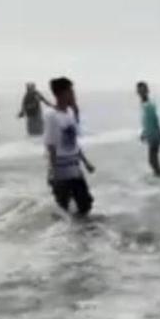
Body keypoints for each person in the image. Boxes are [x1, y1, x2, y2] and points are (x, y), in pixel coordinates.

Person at [44, 77, 95, 216]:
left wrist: (86, 162)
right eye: (71, 91)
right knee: (63, 209)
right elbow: (51, 146)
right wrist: (52, 172)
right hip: (61, 169)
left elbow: (74, 143)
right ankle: (61, 236)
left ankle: (80, 235)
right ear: (61, 94)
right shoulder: (51, 116)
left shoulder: (70, 113)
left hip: (75, 167)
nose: (73, 95)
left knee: (85, 205)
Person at [136, 81, 160, 177]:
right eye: (140, 90)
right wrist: (143, 133)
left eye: (143, 90)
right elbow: (146, 121)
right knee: (153, 160)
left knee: (152, 160)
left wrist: (157, 135)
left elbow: (154, 120)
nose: (141, 92)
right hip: (150, 134)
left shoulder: (149, 104)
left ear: (147, 90)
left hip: (154, 134)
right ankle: (159, 175)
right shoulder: (143, 104)